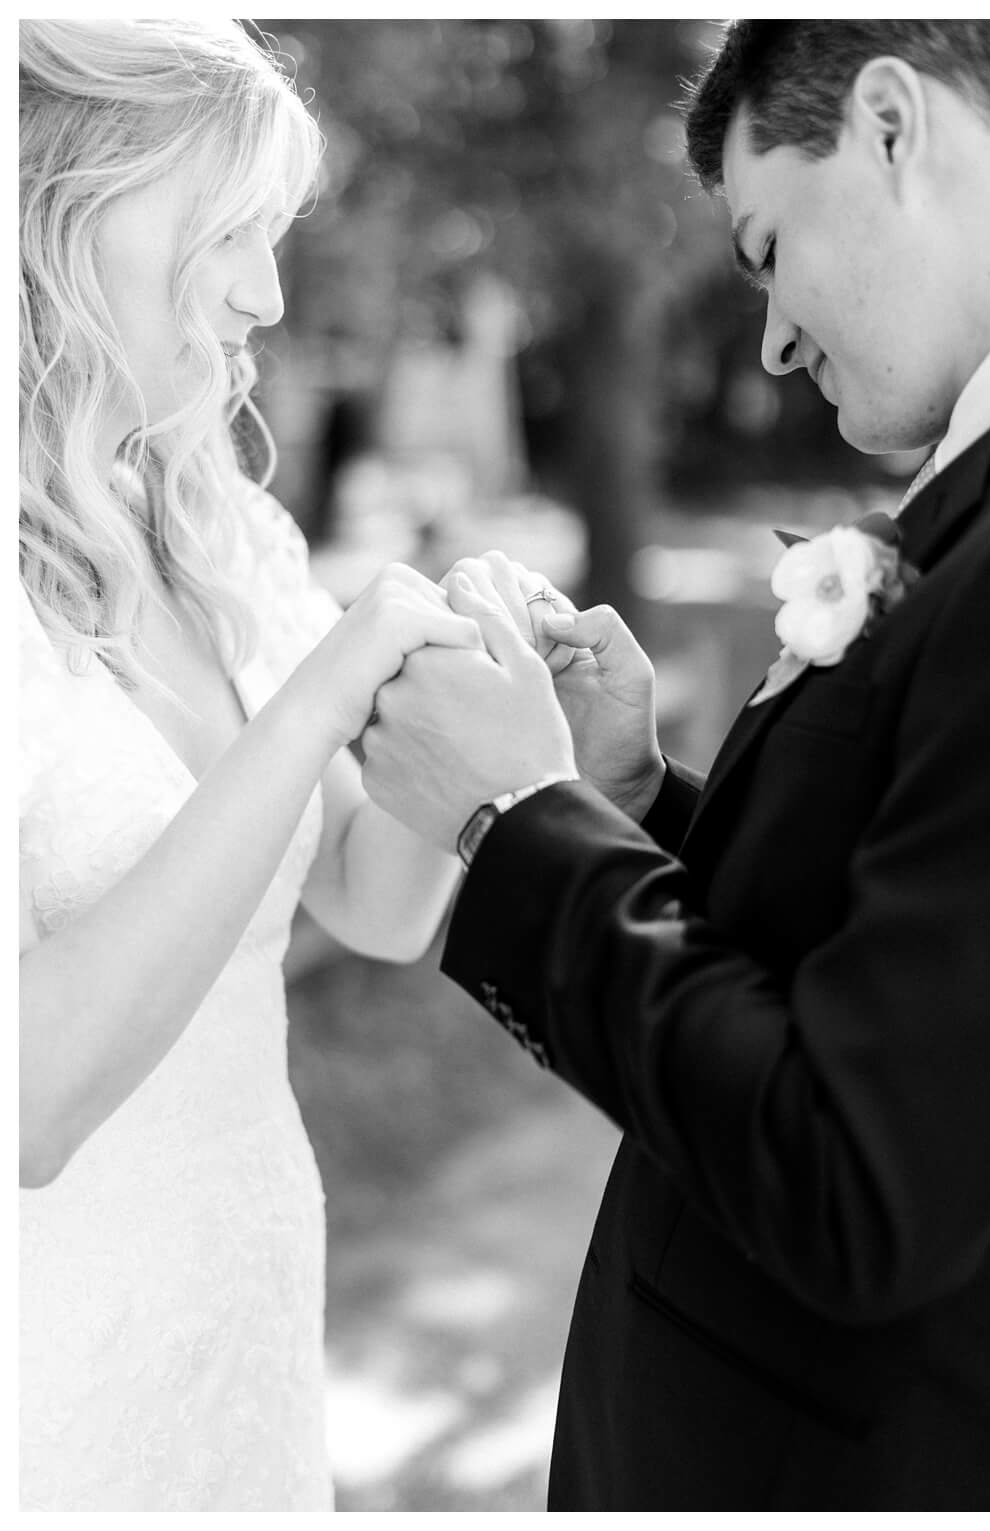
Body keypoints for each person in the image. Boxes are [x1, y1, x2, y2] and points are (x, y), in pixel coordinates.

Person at [355, 21, 990, 1510]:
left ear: (894, 130)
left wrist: (516, 819)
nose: (771, 333)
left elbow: (855, 1175)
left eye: (767, 243)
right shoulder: (963, 518)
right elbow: (866, 952)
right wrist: (637, 798)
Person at [16, 21, 484, 1509]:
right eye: (228, 233)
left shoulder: (228, 534)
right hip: (53, 1366)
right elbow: (27, 1096)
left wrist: (450, 695)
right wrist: (313, 703)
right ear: (65, 208)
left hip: (248, 1318)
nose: (264, 295)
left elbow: (373, 896)